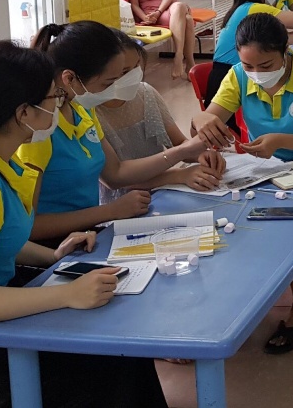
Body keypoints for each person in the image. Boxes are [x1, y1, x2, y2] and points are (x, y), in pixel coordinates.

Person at [0, 41, 173, 408]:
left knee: (115, 325)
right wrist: (66, 294)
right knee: (103, 354)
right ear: (24, 113)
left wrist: (54, 257)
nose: (61, 105)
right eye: (54, 98)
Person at [192, 14, 293, 353]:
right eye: (249, 65)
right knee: (219, 214)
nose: (257, 74)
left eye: (265, 65)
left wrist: (280, 140)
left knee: (290, 223)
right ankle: (234, 299)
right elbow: (209, 118)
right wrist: (202, 120)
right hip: (263, 169)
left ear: (286, 51)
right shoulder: (238, 75)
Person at [19, 21, 225, 243]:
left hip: (87, 237)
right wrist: (109, 211)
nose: (116, 88)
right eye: (109, 82)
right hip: (57, 246)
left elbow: (115, 173)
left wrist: (184, 152)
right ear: (70, 79)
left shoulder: (81, 109)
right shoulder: (39, 132)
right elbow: (28, 228)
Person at [97, 30, 224, 203]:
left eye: (136, 67)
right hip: (122, 203)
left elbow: (179, 142)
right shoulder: (90, 114)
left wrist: (200, 155)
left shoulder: (146, 93)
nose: (133, 75)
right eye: (125, 71)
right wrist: (179, 174)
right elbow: (117, 179)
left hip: (161, 192)